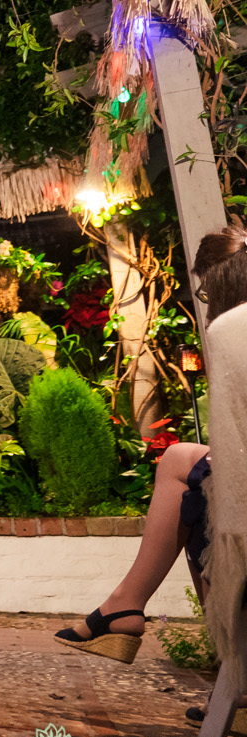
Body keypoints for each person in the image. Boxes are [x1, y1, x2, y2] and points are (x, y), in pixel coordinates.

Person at [54, 219, 247, 664]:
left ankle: (129, 610)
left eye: (203, 293)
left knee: (191, 490)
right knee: (188, 477)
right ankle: (125, 606)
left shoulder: (234, 330)